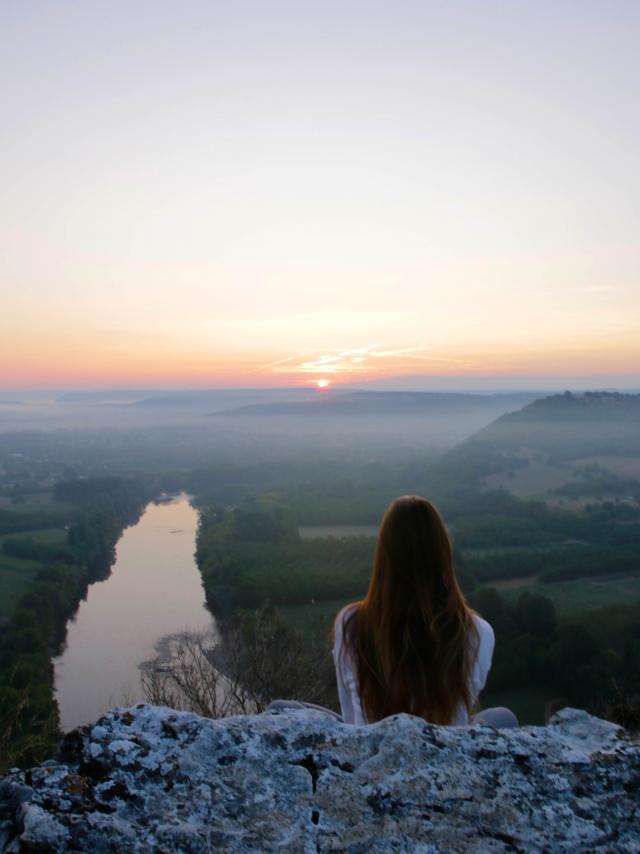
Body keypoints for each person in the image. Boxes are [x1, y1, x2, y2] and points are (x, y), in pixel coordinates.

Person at [333, 495, 517, 728]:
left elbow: (349, 717)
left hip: (370, 753)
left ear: (384, 556)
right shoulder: (478, 632)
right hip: (445, 755)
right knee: (503, 717)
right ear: (443, 553)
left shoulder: (350, 623)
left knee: (281, 709)